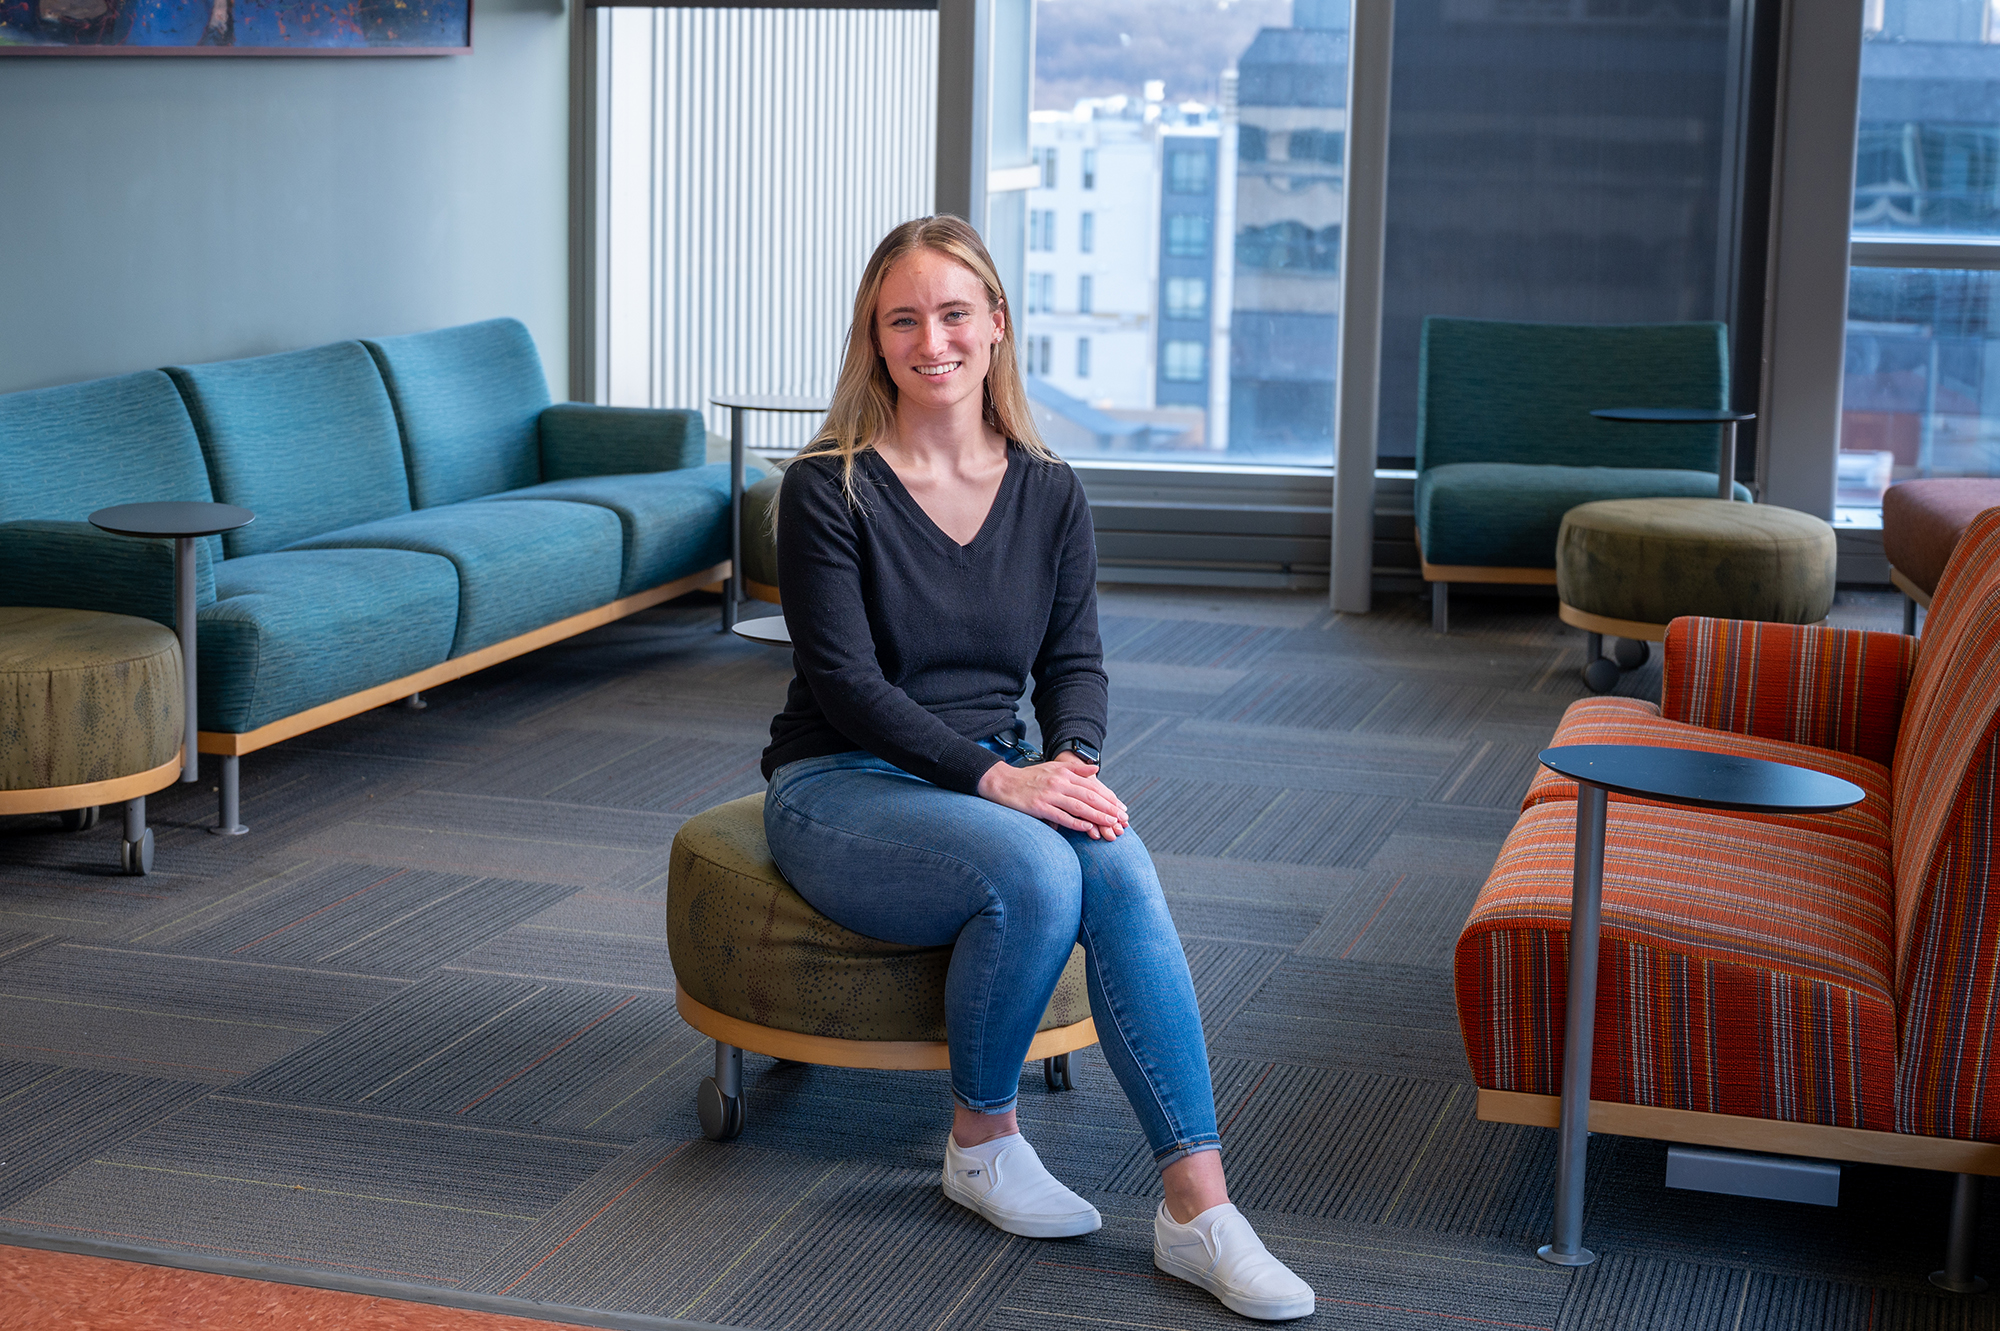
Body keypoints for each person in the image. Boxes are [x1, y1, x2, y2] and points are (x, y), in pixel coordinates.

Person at [758, 216, 1316, 1323]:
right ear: (873, 339)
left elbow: (1073, 663)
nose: (931, 341)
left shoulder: (1050, 488)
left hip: (993, 774)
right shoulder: (828, 487)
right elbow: (847, 683)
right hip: (842, 780)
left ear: (997, 325)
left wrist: (1072, 761)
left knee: (1116, 861)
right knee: (1036, 871)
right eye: (903, 319)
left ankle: (1198, 1207)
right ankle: (981, 1141)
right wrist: (998, 780)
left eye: (953, 313)